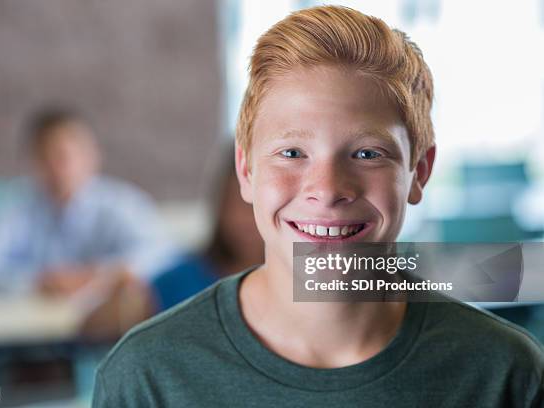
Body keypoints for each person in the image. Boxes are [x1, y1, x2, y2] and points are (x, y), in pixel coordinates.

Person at [92, 6, 543, 406]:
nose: (327, 189)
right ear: (246, 172)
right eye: (292, 153)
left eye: (367, 153)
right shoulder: (147, 377)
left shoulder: (504, 374)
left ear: (419, 173)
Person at [0, 109, 177, 313]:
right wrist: (38, 281)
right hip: (28, 327)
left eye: (64, 155)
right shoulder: (16, 205)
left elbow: (162, 254)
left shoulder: (121, 203)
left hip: (103, 328)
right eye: (45, 156)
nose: (57, 167)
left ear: (92, 155)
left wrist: (98, 275)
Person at [151, 145, 264, 311]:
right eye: (238, 202)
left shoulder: (306, 276)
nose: (247, 219)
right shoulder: (178, 281)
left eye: (261, 203)